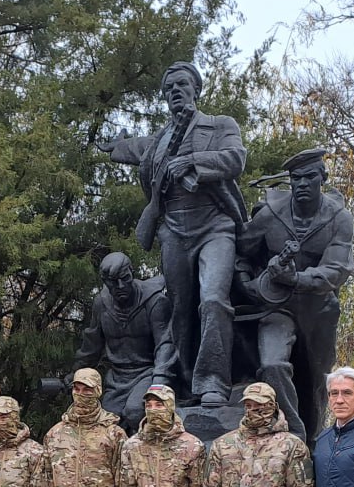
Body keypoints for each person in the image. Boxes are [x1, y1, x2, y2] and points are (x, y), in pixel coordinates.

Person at [99, 62, 247, 405]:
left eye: (181, 85)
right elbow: (134, 148)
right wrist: (115, 147)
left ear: (196, 89)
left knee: (213, 299)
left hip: (214, 227)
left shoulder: (220, 125)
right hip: (174, 231)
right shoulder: (160, 140)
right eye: (169, 88)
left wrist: (193, 161)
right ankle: (185, 384)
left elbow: (235, 158)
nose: (175, 91)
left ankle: (213, 382)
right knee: (179, 308)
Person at [234, 147, 353, 444]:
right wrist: (247, 282)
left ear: (322, 178)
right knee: (272, 365)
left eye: (309, 177)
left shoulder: (339, 218)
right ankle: (294, 432)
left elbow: (337, 269)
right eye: (296, 178)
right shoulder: (270, 214)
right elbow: (240, 250)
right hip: (278, 308)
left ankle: (311, 443)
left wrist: (297, 279)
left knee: (315, 381)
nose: (301, 184)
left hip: (318, 310)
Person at [74, 252, 178, 432]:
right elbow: (92, 345)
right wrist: (76, 373)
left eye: (125, 278)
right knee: (108, 421)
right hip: (117, 377)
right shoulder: (101, 304)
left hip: (148, 372)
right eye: (113, 282)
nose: (120, 286)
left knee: (135, 411)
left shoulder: (154, 301)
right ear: (105, 282)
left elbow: (165, 343)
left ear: (132, 272)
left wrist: (159, 381)